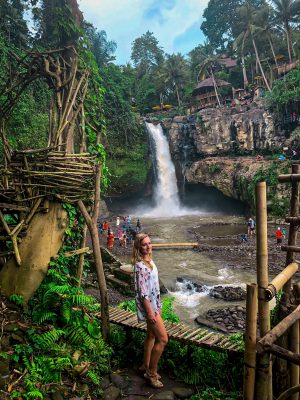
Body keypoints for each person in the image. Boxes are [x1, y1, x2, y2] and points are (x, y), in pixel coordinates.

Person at [132, 233, 168, 389]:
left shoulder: (150, 261)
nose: (148, 246)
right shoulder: (140, 266)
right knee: (163, 339)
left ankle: (145, 365)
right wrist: (150, 313)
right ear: (138, 247)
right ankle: (151, 374)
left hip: (156, 306)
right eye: (144, 244)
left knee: (151, 335)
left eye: (149, 243)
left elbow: (154, 288)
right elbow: (143, 293)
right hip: (150, 308)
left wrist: (159, 306)